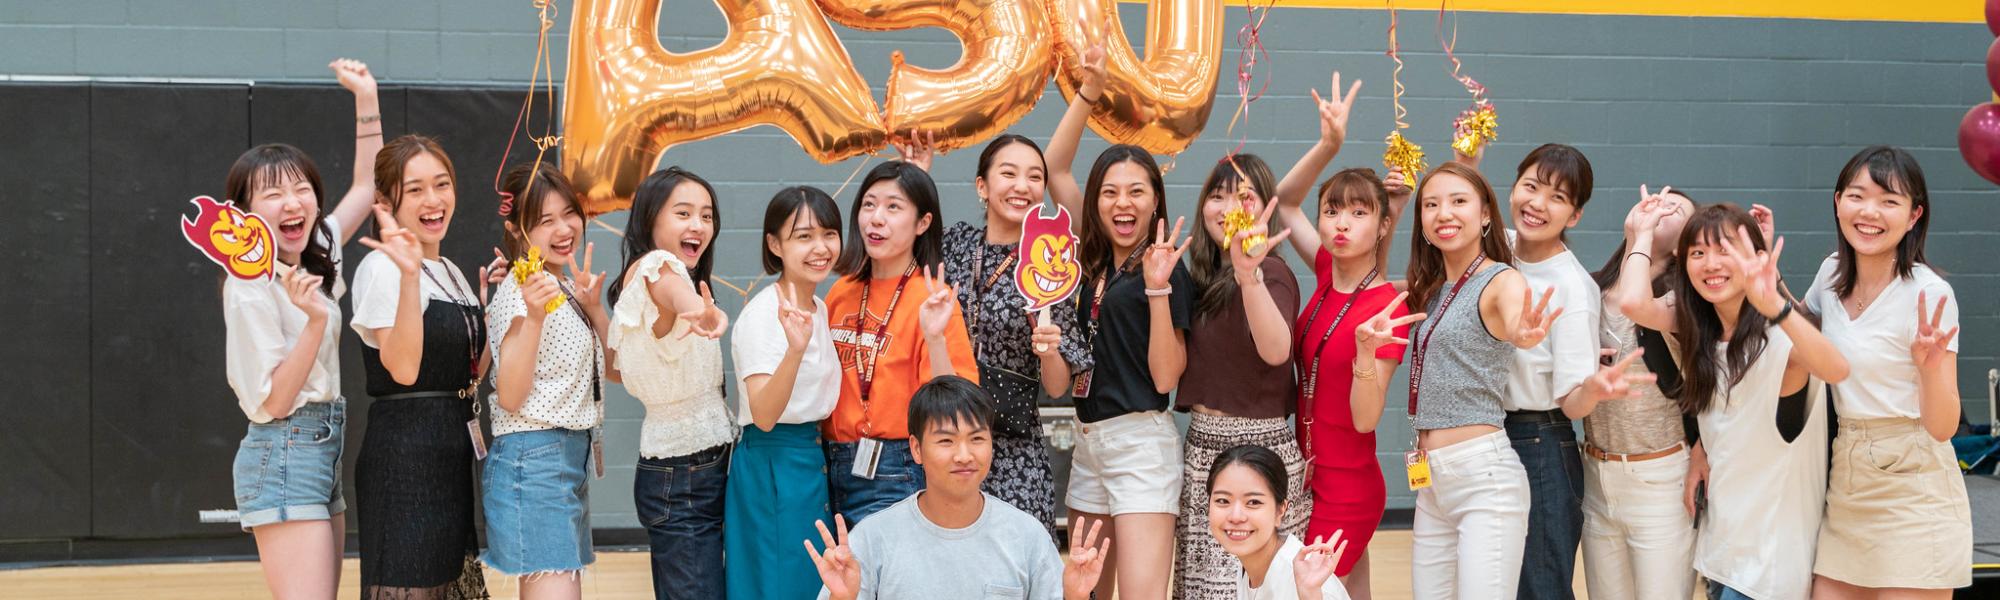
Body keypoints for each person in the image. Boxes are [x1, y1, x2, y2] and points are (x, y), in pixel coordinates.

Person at [1621, 201, 1850, 600]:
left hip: (1768, 571)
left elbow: (1835, 369)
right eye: (1698, 253)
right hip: (1723, 556)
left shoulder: (1778, 341)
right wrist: (1641, 234)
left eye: (1725, 249)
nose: (1710, 263)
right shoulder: (1702, 334)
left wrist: (1774, 299)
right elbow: (1634, 304)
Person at [220, 58, 383, 600]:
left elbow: (366, 184)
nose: (293, 203)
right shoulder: (248, 285)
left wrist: (366, 97)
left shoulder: (315, 254)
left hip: (321, 446)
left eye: (301, 189)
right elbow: (277, 399)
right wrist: (314, 322)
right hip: (285, 445)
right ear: (244, 213)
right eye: (272, 194)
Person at [1805, 146, 1970, 599]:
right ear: (1838, 201)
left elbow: (1942, 428)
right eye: (1857, 196)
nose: (1869, 212)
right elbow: (1798, 338)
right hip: (1847, 476)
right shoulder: (1830, 273)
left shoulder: (1930, 294)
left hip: (1914, 481)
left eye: (1889, 201)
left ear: (1914, 215)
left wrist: (1930, 368)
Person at [907, 133, 1090, 540]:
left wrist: (1048, 351)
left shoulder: (1049, 263)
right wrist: (916, 176)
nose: (1022, 186)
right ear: (982, 186)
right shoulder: (954, 244)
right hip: (947, 438)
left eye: (1034, 176)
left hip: (1013, 447)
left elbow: (1058, 385)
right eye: (1008, 173)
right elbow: (905, 238)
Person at [1269, 72, 1408, 600]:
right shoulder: (1328, 272)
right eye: (1332, 210)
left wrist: (1368, 353)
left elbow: (1367, 418)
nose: (1341, 222)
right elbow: (1284, 202)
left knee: (1309, 591)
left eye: (1358, 211)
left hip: (1348, 487)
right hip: (1309, 473)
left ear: (1383, 225)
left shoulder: (1387, 308)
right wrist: (1330, 144)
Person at [350, 132, 500, 599]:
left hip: (450, 450)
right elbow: (404, 369)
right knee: (408, 585)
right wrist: (410, 276)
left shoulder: (451, 270)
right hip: (405, 457)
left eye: (442, 184)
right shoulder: (382, 269)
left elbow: (471, 374)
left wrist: (493, 313)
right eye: (414, 190)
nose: (433, 200)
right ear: (385, 201)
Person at [804, 376, 1108, 600]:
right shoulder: (873, 539)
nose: (964, 455)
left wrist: (1075, 597)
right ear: (917, 449)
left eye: (977, 439)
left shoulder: (1026, 536)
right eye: (946, 441)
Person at [1401, 162, 1555, 600]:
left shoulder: (1500, 279)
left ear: (1486, 214)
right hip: (1432, 481)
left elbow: (1513, 316)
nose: (1443, 213)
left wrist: (1521, 332)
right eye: (1431, 205)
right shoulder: (1434, 289)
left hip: (1483, 477)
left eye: (1458, 202)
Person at [1172, 153, 1307, 600]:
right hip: (1202, 449)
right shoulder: (1205, 279)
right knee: (1202, 588)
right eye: (1217, 195)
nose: (1228, 206)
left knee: (1249, 588)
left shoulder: (1271, 272)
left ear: (1265, 207)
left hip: (1255, 454)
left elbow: (1277, 351)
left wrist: (1250, 278)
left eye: (1243, 196)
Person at [823, 161, 980, 525]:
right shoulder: (841, 291)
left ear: (922, 223)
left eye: (893, 207)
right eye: (869, 204)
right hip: (829, 464)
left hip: (897, 469)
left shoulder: (933, 298)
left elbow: (954, 403)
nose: (876, 219)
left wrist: (935, 336)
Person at [483, 163, 613, 600]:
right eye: (545, 220)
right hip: (534, 459)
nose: (564, 228)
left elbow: (617, 369)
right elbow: (511, 396)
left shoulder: (562, 284)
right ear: (517, 230)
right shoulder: (521, 294)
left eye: (569, 213)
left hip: (563, 457)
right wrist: (534, 318)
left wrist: (596, 310)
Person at [607, 167, 735, 600]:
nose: (698, 225)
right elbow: (675, 293)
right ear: (651, 221)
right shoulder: (659, 268)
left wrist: (593, 308)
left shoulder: (645, 286)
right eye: (683, 213)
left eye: (706, 215)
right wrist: (701, 312)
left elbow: (615, 370)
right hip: (684, 476)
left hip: (687, 469)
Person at [725, 185, 847, 599]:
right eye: (804, 236)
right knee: (779, 584)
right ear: (774, 244)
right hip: (773, 464)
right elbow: (763, 414)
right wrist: (795, 351)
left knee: (810, 584)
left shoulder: (820, 305)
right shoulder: (763, 314)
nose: (821, 247)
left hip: (809, 461)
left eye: (829, 234)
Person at [1497, 144, 1603, 600]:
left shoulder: (1573, 287)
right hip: (1485, 435)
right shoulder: (1494, 248)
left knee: (1540, 587)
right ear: (1513, 187)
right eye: (1531, 186)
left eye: (1557, 197)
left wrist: (1595, 389)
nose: (1538, 204)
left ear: (1574, 215)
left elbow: (1573, 400)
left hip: (1538, 442)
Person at [1583, 187, 1698, 600]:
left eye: (1675, 208)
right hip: (1597, 474)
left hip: (1660, 479)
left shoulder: (1680, 300)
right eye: (1655, 199)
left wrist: (1642, 239)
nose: (1660, 206)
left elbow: (1635, 302)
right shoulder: (1588, 290)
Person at [1205, 444, 1355, 600]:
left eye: (1253, 502)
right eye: (1222, 500)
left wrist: (1309, 595)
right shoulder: (1248, 558)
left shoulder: (1302, 577)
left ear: (1280, 510)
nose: (1236, 516)